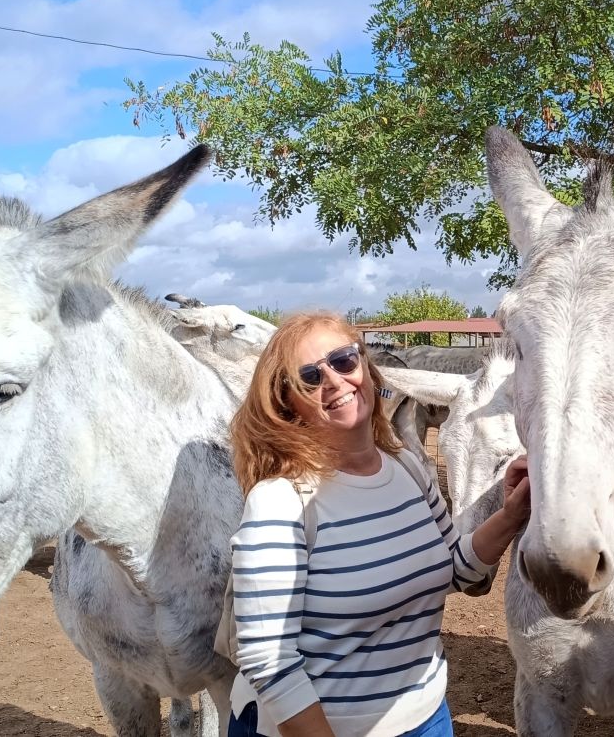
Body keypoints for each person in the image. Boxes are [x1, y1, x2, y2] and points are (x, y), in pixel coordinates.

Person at [226, 312, 531, 737]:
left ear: (366, 369)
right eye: (309, 378)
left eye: (343, 360)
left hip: (426, 718)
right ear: (286, 403)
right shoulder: (281, 501)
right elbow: (269, 662)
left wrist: (510, 514)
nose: (334, 381)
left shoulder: (407, 468)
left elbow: (455, 569)